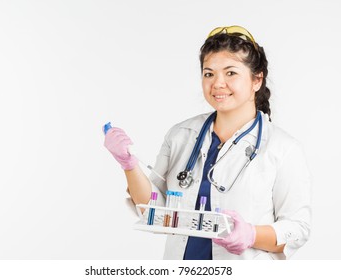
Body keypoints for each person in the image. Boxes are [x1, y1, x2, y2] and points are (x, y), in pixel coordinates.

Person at [103, 25, 312, 260]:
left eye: (230, 73)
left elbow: (298, 228)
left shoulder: (282, 148)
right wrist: (128, 164)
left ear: (257, 80)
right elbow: (154, 210)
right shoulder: (181, 135)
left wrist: (252, 235)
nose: (217, 83)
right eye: (209, 73)